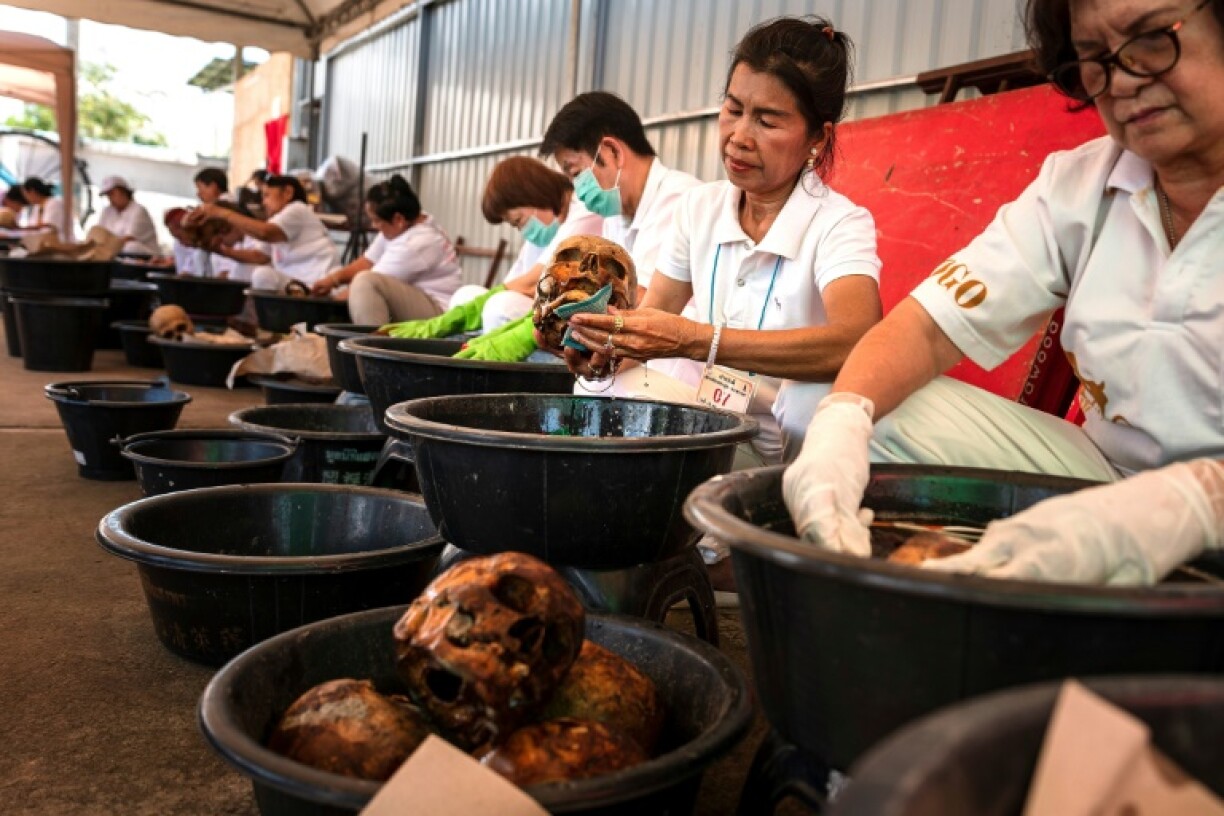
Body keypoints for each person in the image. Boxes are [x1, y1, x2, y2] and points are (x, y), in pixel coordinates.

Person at [783, 0, 1224, 586]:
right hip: (1104, 475)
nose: (1121, 80)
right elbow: (926, 329)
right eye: (1094, 56)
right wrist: (839, 425)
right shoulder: (1083, 185)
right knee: (842, 402)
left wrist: (1199, 500)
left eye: (1150, 37)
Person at [561, 16, 882, 467]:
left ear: (817, 137)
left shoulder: (840, 223)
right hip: (720, 422)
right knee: (603, 389)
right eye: (733, 110)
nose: (739, 137)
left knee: (809, 399)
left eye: (767, 121)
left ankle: (790, 501)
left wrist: (699, 341)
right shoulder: (700, 208)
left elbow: (856, 339)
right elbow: (653, 316)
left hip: (799, 448)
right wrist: (604, 352)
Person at [380, 156, 602, 360]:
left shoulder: (582, 214)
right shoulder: (543, 231)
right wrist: (464, 313)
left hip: (568, 317)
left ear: (535, 195)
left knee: (499, 307)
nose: (522, 229)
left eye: (518, 220)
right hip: (543, 311)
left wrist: (454, 319)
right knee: (465, 295)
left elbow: (534, 283)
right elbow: (513, 282)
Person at [312, 174, 461, 324]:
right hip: (420, 299)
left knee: (364, 283)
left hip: (437, 311)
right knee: (363, 282)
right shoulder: (409, 222)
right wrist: (332, 280)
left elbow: (367, 283)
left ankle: (370, 338)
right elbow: (368, 261)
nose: (373, 225)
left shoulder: (416, 243)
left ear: (398, 219)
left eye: (376, 220)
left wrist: (320, 305)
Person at [187, 174, 338, 291]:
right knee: (250, 271)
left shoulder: (297, 209)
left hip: (319, 282)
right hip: (296, 285)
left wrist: (221, 213)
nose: (264, 202)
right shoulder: (276, 221)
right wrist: (222, 250)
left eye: (267, 195)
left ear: (288, 192)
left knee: (262, 275)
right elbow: (259, 256)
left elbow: (265, 233)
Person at [209, 201, 272, 283]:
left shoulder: (257, 236)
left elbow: (260, 257)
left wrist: (223, 251)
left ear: (225, 228)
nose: (220, 241)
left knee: (241, 267)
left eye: (218, 235)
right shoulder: (237, 244)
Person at [94, 176, 159, 256]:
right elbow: (99, 233)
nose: (109, 198)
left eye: (112, 194)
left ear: (123, 192)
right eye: (108, 195)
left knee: (130, 247)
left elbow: (128, 238)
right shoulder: (107, 211)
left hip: (144, 255)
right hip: (114, 253)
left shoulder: (138, 210)